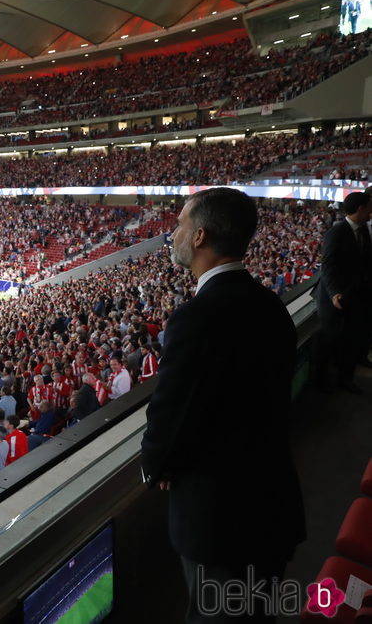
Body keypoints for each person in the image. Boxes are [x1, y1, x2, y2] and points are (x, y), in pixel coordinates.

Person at [140, 187, 305, 624]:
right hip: (272, 504)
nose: (172, 233)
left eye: (179, 224)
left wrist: (156, 466)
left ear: (199, 237)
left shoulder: (197, 317)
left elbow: (171, 413)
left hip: (221, 522)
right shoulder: (270, 305)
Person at [315, 191, 372, 393]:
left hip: (354, 295)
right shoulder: (337, 232)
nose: (371, 211)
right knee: (330, 339)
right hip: (334, 298)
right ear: (360, 208)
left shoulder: (363, 230)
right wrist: (334, 294)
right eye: (369, 206)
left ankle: (345, 379)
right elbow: (327, 267)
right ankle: (320, 381)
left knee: (352, 338)